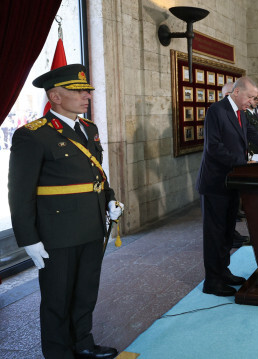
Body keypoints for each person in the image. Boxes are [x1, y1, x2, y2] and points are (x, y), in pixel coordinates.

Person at [8, 64, 123, 359]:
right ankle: (59, 353)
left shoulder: (89, 129)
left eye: (87, 91)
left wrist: (109, 199)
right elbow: (20, 193)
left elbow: (96, 173)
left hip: (92, 225)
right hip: (56, 233)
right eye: (79, 91)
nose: (87, 96)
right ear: (56, 96)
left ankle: (83, 343)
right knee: (57, 298)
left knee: (85, 292)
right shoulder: (32, 135)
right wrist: (28, 239)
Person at [196, 77, 258, 297]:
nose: (252, 102)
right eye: (250, 97)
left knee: (227, 233)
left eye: (253, 98)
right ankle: (212, 281)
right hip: (214, 183)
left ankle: (223, 272)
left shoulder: (241, 113)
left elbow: (255, 136)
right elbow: (214, 148)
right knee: (215, 234)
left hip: (232, 181)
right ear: (237, 91)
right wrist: (243, 160)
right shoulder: (217, 111)